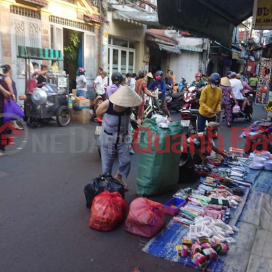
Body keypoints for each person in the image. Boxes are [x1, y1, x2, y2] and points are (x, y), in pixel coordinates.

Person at [96, 85, 142, 190]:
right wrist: (107, 123)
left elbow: (127, 119)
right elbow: (98, 113)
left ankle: (119, 177)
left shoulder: (129, 107)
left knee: (126, 161)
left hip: (123, 138)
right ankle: (107, 185)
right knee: (107, 165)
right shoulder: (108, 104)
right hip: (108, 137)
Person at [0, 65, 23, 130]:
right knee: (11, 109)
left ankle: (13, 124)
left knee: (8, 110)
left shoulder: (2, 77)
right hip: (8, 96)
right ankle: (12, 125)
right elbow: (10, 87)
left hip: (4, 97)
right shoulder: (7, 77)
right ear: (9, 70)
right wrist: (13, 96)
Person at [0, 74, 12, 155]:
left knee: (2, 129)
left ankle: (2, 149)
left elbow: (8, 94)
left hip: (1, 109)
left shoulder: (2, 82)